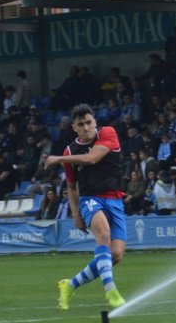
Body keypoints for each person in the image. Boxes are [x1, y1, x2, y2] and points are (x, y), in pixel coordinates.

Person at [45, 103, 127, 310]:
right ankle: (110, 289)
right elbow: (72, 187)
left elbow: (92, 158)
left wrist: (59, 158)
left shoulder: (108, 133)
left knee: (115, 255)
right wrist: (76, 214)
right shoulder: (71, 150)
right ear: (74, 128)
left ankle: (70, 285)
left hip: (115, 200)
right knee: (103, 236)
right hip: (91, 199)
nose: (86, 127)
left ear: (95, 122)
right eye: (81, 125)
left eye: (89, 122)